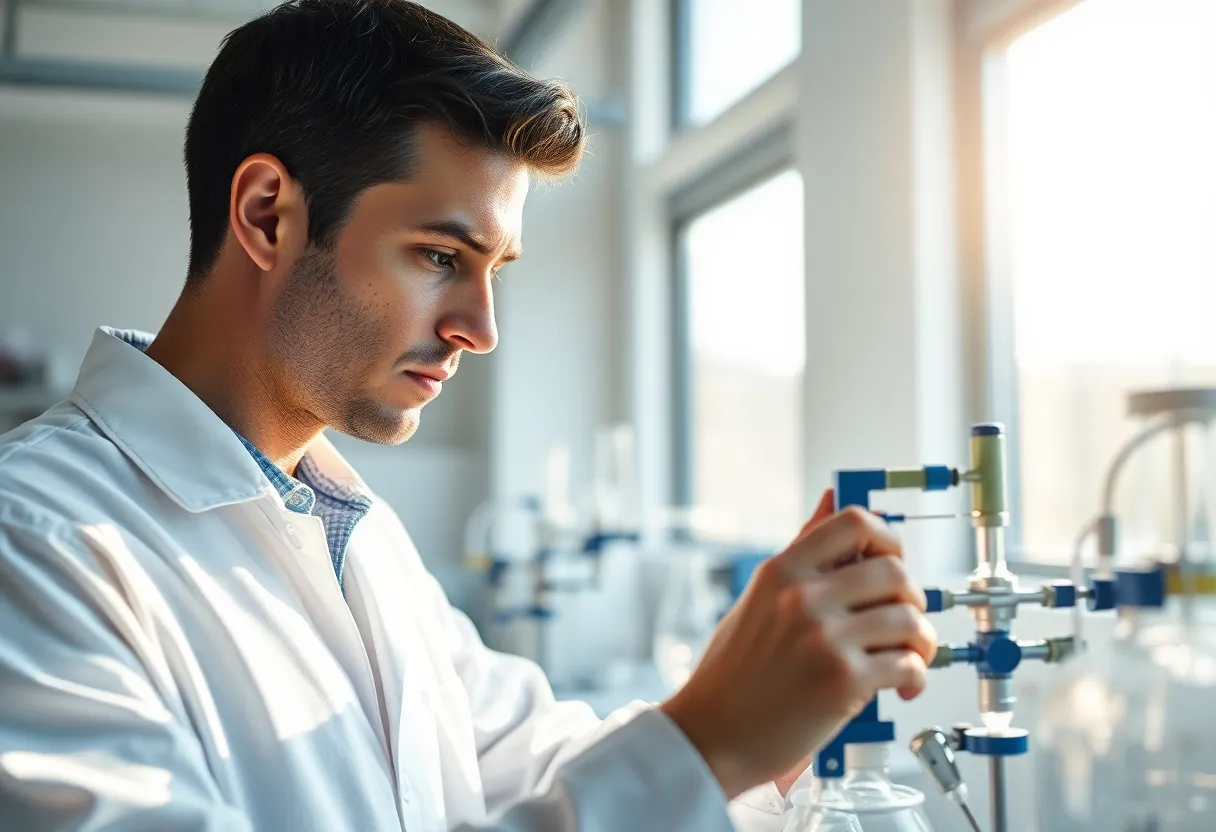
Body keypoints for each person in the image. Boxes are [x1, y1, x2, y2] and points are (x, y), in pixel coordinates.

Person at [0, 1, 936, 829]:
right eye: (441, 256)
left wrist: (768, 723)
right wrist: (704, 743)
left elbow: (531, 764)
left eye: (496, 272)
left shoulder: (349, 534)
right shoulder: (33, 544)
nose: (480, 330)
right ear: (268, 214)